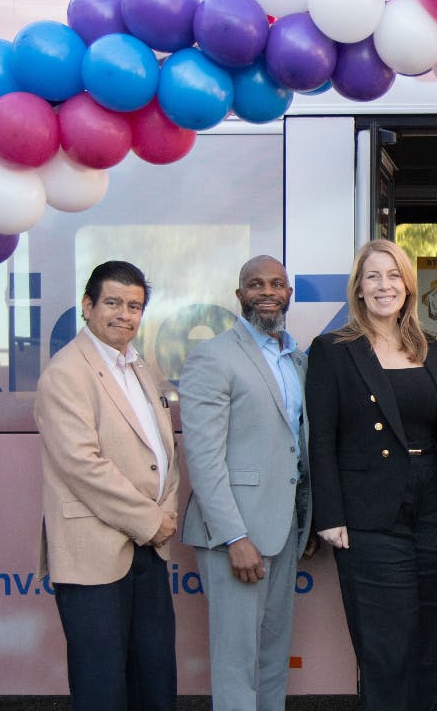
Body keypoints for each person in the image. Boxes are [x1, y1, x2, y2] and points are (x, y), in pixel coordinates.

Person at [306, 238, 437, 711]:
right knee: (385, 645)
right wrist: (329, 514)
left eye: (394, 275)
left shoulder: (427, 346)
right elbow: (321, 438)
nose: (384, 286)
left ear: (408, 286)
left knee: (429, 636)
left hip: (431, 508)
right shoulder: (333, 349)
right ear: (358, 288)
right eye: (373, 276)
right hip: (368, 513)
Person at [35, 260, 178, 711]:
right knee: (102, 687)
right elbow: (83, 465)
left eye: (134, 306)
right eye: (113, 302)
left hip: (147, 548)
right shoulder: (66, 372)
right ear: (87, 306)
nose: (125, 314)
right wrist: (150, 520)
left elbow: (163, 454)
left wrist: (164, 514)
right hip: (95, 552)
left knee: (154, 679)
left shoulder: (138, 367)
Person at [179, 255, 311, 711]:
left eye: (277, 284)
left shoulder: (297, 358)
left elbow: (297, 446)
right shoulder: (213, 356)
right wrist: (234, 536)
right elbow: (203, 456)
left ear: (289, 294)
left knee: (273, 659)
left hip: (284, 531)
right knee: (237, 665)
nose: (268, 292)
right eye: (256, 284)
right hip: (236, 536)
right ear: (240, 296)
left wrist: (306, 520)